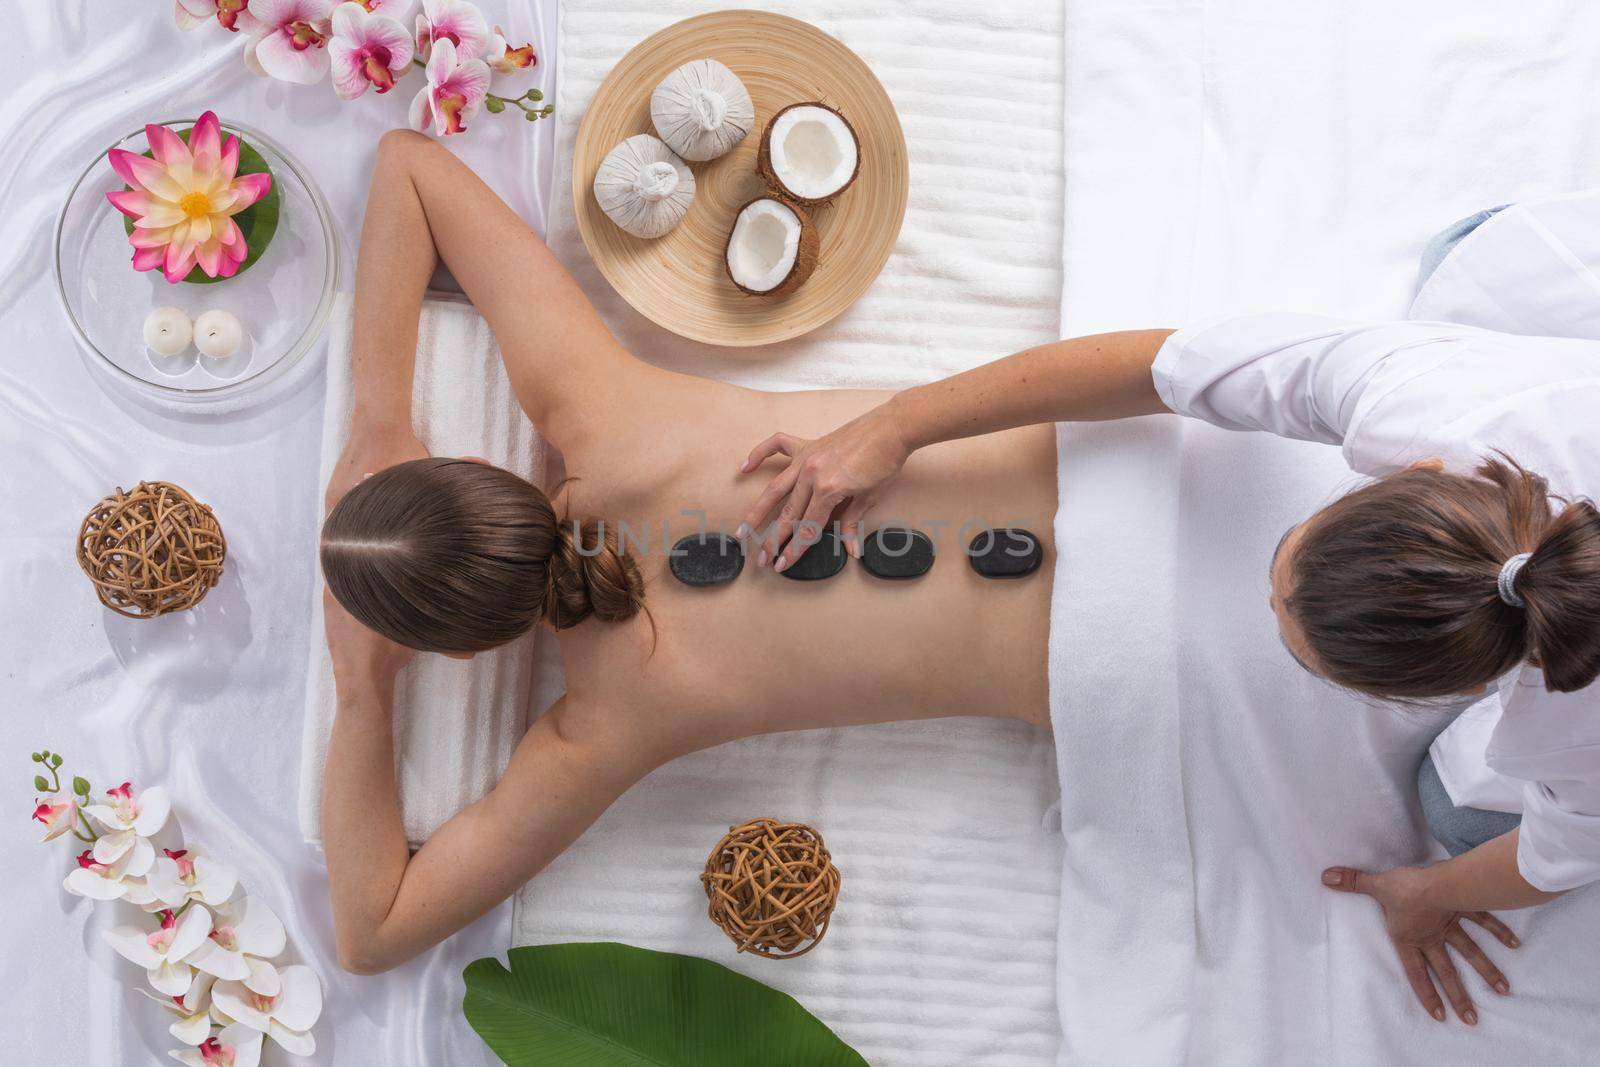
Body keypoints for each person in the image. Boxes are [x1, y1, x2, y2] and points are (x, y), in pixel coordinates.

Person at [318, 131, 1057, 976]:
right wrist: (381, 419)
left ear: (456, 649)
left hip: (1109, 663)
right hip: (1119, 464)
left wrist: (363, 690)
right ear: (484, 469)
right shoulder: (600, 405)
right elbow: (410, 168)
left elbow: (373, 927)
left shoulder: (607, 725)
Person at [738, 311, 1600, 1026]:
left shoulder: (1567, 738)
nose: (1263, 602)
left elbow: (1559, 854)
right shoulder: (1422, 389)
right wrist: (899, 423)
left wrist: (1427, 890)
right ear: (1417, 472)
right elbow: (1162, 365)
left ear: (1475, 684)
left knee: (1458, 815)